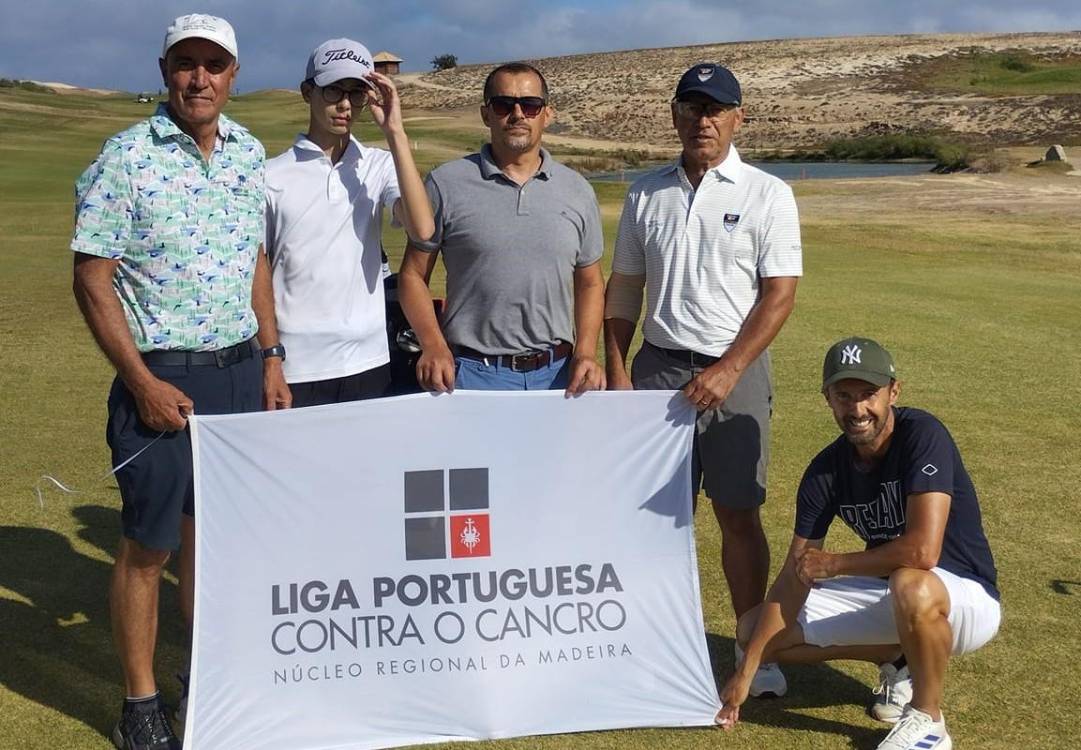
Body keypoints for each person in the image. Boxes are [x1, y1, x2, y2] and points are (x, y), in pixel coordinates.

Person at [70, 14, 289, 749]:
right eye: (186, 64)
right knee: (148, 548)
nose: (200, 78)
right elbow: (91, 276)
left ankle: (208, 675)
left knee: (210, 542)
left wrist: (270, 355)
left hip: (235, 374)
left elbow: (253, 259)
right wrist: (137, 381)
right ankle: (139, 703)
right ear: (166, 71)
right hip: (161, 379)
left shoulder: (247, 152)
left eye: (214, 65)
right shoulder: (125, 158)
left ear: (233, 74)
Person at [603, 62, 802, 695]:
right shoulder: (646, 191)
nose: (702, 119)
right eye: (691, 108)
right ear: (675, 116)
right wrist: (616, 367)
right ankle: (655, 642)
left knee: (737, 511)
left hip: (733, 371)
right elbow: (626, 285)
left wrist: (728, 368)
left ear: (738, 117)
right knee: (658, 517)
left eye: (715, 108)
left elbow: (779, 295)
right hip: (657, 367)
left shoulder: (767, 192)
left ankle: (756, 653)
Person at [717, 337, 1000, 750]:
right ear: (827, 398)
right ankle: (896, 658)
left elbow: (924, 552)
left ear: (894, 392)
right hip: (896, 593)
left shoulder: (924, 435)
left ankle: (929, 721)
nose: (857, 409)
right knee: (751, 631)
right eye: (844, 396)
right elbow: (795, 574)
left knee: (911, 582)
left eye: (869, 394)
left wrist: (835, 564)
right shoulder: (825, 470)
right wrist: (749, 669)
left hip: (965, 596)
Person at [398, 62, 605, 394]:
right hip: (470, 375)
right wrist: (433, 345)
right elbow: (411, 276)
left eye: (530, 105)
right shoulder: (445, 183)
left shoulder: (578, 189)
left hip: (557, 377)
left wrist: (585, 353)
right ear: (486, 114)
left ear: (547, 114)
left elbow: (591, 282)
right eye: (503, 104)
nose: (518, 113)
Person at [265, 39, 434, 406]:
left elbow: (422, 229)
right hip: (297, 366)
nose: (345, 104)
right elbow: (257, 274)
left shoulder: (378, 164)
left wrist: (396, 133)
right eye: (333, 91)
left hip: (369, 360)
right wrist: (271, 357)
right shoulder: (270, 175)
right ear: (308, 92)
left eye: (356, 93)